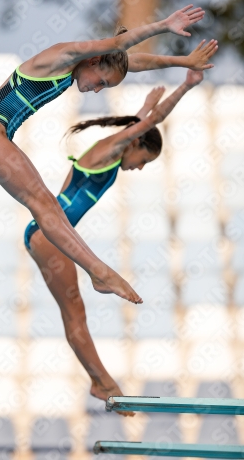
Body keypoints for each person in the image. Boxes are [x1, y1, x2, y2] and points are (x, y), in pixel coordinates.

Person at [0, 5, 211, 306]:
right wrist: (164, 25)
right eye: (102, 82)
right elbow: (119, 45)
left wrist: (182, 61)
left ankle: (98, 272)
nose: (97, 90)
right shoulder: (63, 54)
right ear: (94, 60)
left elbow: (132, 61)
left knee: (46, 204)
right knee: (42, 202)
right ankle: (100, 272)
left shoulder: (74, 69)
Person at [24, 70, 204, 412]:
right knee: (74, 314)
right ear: (135, 144)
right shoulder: (112, 150)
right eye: (143, 162)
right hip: (48, 234)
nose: (138, 168)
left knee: (74, 312)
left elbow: (143, 124)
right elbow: (152, 122)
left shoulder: (114, 146)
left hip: (46, 232)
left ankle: (100, 381)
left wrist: (146, 108)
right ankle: (101, 383)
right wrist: (185, 85)